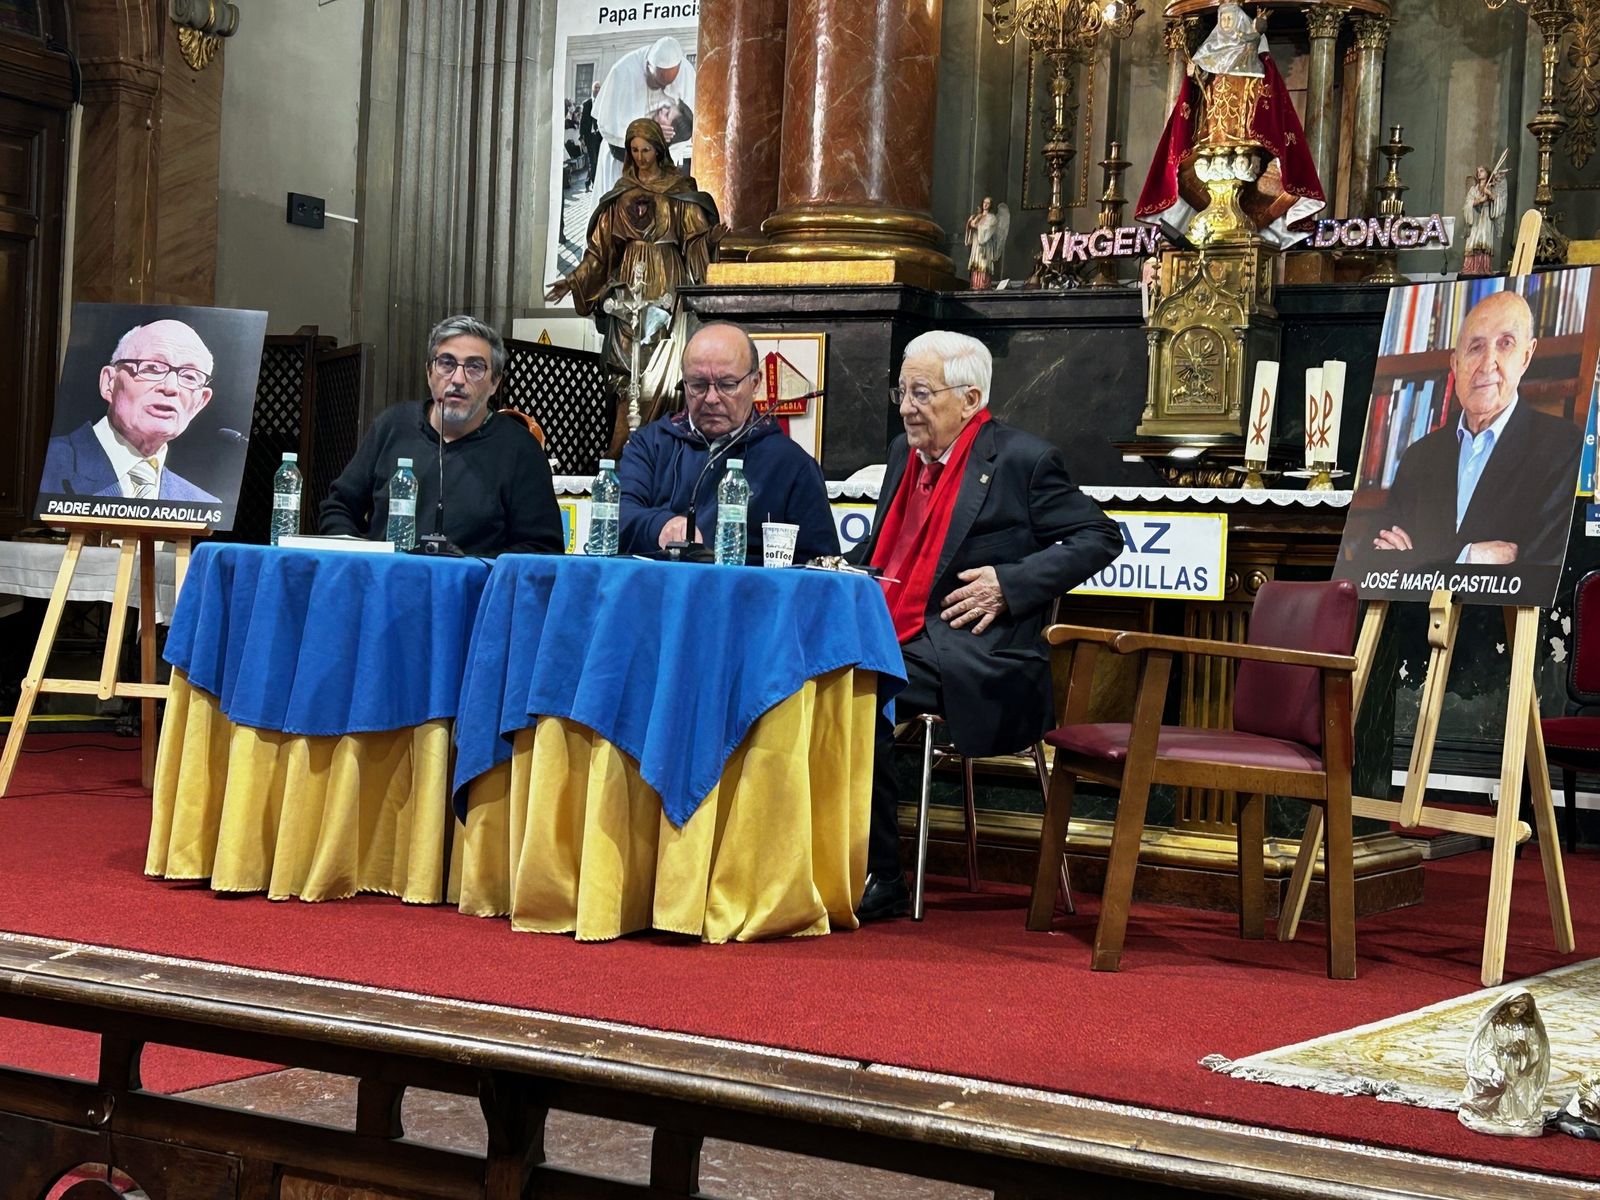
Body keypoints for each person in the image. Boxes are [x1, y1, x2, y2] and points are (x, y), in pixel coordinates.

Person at [850, 331, 1122, 920]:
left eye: (921, 392)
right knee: (800, 672)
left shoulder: (1022, 460)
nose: (906, 406)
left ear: (970, 398)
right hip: (893, 628)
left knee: (859, 690)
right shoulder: (904, 452)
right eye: (901, 391)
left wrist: (1010, 582)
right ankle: (810, 861)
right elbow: (883, 550)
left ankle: (882, 873)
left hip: (975, 653)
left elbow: (1100, 536)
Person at [1367, 290, 1581, 570]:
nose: (1487, 364)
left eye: (1505, 344)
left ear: (1526, 357)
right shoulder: (1419, 456)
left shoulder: (1564, 449)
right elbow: (1379, 563)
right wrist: (1468, 556)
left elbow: (1542, 569)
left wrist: (1419, 559)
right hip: (1417, 614)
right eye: (1476, 347)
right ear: (1455, 363)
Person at [319, 315, 563, 556]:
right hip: (386, 586)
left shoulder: (521, 450)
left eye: (475, 367)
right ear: (428, 372)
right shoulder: (392, 426)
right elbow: (339, 508)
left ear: (494, 382)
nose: (457, 379)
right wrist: (356, 559)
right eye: (446, 363)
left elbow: (541, 549)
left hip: (474, 591)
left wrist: (469, 571)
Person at [545, 118, 723, 448]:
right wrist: (575, 279)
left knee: (665, 370)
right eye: (634, 150)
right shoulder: (619, 196)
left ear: (659, 150)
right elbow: (599, 252)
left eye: (647, 150)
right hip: (628, 286)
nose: (640, 157)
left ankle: (664, 444)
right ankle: (622, 448)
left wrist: (709, 241)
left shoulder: (680, 190)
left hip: (668, 283)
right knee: (627, 371)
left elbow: (694, 239)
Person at [616, 322, 838, 565]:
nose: (711, 399)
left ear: (755, 384)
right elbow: (615, 518)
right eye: (698, 385)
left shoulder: (792, 465)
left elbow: (821, 564)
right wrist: (660, 526)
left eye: (727, 385)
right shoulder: (649, 445)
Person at [1136, 1, 1323, 246]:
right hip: (1214, 128)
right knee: (1211, 164)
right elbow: (1200, 89)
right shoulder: (1210, 51)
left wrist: (1256, 29)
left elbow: (1256, 62)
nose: (1225, 24)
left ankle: (1238, 215)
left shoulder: (1248, 50)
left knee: (1241, 164)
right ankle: (1218, 213)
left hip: (1242, 125)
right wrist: (1196, 73)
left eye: (1229, 20)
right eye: (1222, 20)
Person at [41, 318, 221, 503]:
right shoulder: (43, 466)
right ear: (109, 382)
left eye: (190, 376)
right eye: (152, 368)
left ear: (200, 402)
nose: (171, 387)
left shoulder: (204, 505)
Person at [589, 35, 696, 198]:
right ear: (647, 65)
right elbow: (608, 129)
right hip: (620, 167)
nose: (663, 89)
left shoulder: (687, 72)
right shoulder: (623, 71)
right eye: (658, 82)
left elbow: (687, 127)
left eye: (667, 111)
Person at [1459, 988, 1549, 1137]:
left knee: (1520, 1096)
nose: (1518, 1012)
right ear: (1507, 1004)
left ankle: (1515, 1120)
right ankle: (1489, 1113)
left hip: (1519, 1067)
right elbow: (1486, 1050)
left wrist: (1525, 1051)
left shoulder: (1526, 1027)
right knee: (1498, 1087)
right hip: (1499, 1063)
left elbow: (1535, 1051)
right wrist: (1494, 1068)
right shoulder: (1495, 1024)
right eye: (1515, 1007)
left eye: (1522, 1009)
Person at [1462, 160, 1508, 276]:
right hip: (1476, 216)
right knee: (1473, 240)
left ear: (1487, 173)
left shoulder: (1492, 187)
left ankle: (1483, 267)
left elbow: (1499, 202)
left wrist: (1490, 194)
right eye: (1478, 171)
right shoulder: (1474, 189)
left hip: (1486, 216)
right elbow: (1467, 203)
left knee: (1484, 239)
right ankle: (1470, 268)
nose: (1479, 173)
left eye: (1481, 171)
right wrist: (1479, 201)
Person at [964, 196, 1009, 290]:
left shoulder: (992, 218)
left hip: (985, 247)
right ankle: (974, 285)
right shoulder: (978, 216)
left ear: (990, 205)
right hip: (976, 246)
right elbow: (971, 232)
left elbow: (987, 231)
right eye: (984, 202)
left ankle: (982, 286)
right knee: (975, 266)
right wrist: (969, 224)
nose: (985, 204)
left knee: (983, 266)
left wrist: (976, 226)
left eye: (988, 203)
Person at [580, 81, 602, 191]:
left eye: (599, 87)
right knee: (592, 160)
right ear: (592, 89)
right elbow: (582, 121)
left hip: (600, 136)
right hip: (590, 136)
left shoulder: (603, 103)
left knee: (597, 160)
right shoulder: (587, 104)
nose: (597, 90)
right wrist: (581, 137)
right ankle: (594, 183)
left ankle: (588, 181)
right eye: (595, 88)